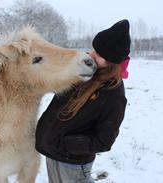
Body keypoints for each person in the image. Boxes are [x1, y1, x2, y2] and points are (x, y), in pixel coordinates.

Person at [35, 19, 131, 183]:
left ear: (112, 62)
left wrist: (63, 144)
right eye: (93, 49)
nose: (91, 55)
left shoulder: (114, 95)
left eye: (99, 55)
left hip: (72, 164)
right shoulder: (81, 70)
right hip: (52, 154)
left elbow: (104, 141)